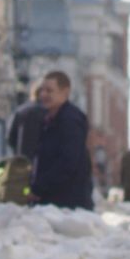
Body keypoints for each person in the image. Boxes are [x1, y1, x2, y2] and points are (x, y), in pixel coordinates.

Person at [27, 70, 93, 209]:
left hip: (68, 203)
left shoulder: (70, 120)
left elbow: (68, 162)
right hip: (54, 200)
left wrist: (39, 187)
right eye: (42, 90)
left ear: (65, 92)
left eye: (49, 91)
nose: (43, 95)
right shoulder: (50, 119)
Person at [6, 84, 47, 159]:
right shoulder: (49, 112)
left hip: (22, 160)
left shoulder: (20, 111)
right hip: (44, 159)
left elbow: (10, 138)